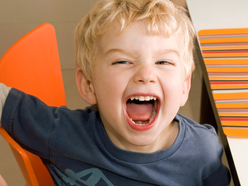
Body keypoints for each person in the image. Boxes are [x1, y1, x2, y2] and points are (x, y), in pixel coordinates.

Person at [0, 0, 230, 185]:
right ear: (89, 85)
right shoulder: (61, 133)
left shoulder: (203, 152)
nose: (145, 74)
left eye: (163, 62)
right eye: (122, 61)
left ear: (184, 87)